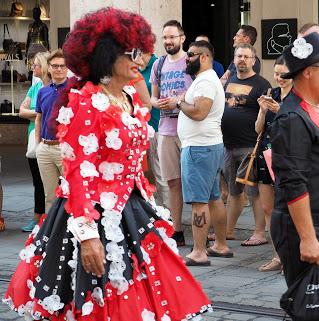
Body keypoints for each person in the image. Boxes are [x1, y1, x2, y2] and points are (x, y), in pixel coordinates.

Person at [3, 8, 211, 321]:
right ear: (107, 56)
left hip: (133, 209)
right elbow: (77, 172)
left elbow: (135, 156)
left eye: (141, 51)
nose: (140, 59)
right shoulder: (85, 100)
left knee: (143, 299)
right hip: (92, 213)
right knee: (101, 298)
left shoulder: (128, 95)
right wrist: (88, 237)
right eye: (133, 52)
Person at [269, 32, 319, 320]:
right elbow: (293, 182)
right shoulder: (292, 118)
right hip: (309, 227)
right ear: (307, 73)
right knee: (315, 309)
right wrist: (308, 238)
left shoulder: (317, 109)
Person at [177, 40, 232, 265]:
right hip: (207, 146)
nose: (187, 58)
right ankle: (220, 245)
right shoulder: (204, 80)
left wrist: (179, 102)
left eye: (190, 54)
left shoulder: (206, 81)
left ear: (204, 57)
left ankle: (199, 252)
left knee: (199, 201)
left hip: (200, 148)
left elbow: (199, 113)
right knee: (213, 198)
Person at [221, 43, 271, 245]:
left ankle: (259, 233)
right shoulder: (228, 81)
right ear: (234, 59)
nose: (242, 59)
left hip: (250, 146)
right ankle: (228, 230)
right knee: (234, 192)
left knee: (254, 193)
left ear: (253, 60)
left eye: (246, 56)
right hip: (228, 145)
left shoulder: (261, 84)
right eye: (238, 56)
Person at [150, 20, 193, 247]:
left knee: (192, 182)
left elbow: (201, 94)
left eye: (172, 37)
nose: (168, 42)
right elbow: (152, 97)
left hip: (190, 129)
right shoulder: (159, 64)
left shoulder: (192, 62)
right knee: (173, 182)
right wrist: (160, 104)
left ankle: (201, 231)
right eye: (165, 38)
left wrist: (178, 100)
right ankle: (177, 229)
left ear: (182, 38)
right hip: (166, 129)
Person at [255, 55, 292, 272]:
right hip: (266, 154)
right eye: (276, 73)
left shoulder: (298, 96)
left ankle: (291, 257)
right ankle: (277, 254)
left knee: (287, 208)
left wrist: (281, 111)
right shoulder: (272, 94)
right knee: (268, 208)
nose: (279, 78)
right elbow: (258, 130)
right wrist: (262, 111)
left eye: (284, 74)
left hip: (287, 157)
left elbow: (299, 127)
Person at [18, 51, 50, 232]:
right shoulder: (34, 87)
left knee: (51, 182)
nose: (33, 68)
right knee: (37, 181)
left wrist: (35, 114)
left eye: (36, 65)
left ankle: (48, 217)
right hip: (33, 138)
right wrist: (39, 113)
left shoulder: (52, 87)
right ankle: (37, 217)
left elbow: (49, 113)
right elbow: (22, 111)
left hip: (48, 138)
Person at [35, 49, 68, 213]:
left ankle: (71, 233)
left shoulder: (75, 91)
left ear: (67, 68)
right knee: (50, 195)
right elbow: (38, 118)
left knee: (71, 193)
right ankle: (50, 233)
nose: (59, 69)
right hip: (45, 148)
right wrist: (38, 145)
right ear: (49, 68)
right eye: (55, 66)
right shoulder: (43, 91)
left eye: (62, 66)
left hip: (65, 149)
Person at [140, 51, 169, 209]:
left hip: (157, 126)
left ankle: (167, 213)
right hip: (139, 129)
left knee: (160, 173)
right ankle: (152, 209)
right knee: (145, 173)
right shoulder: (134, 68)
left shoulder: (158, 65)